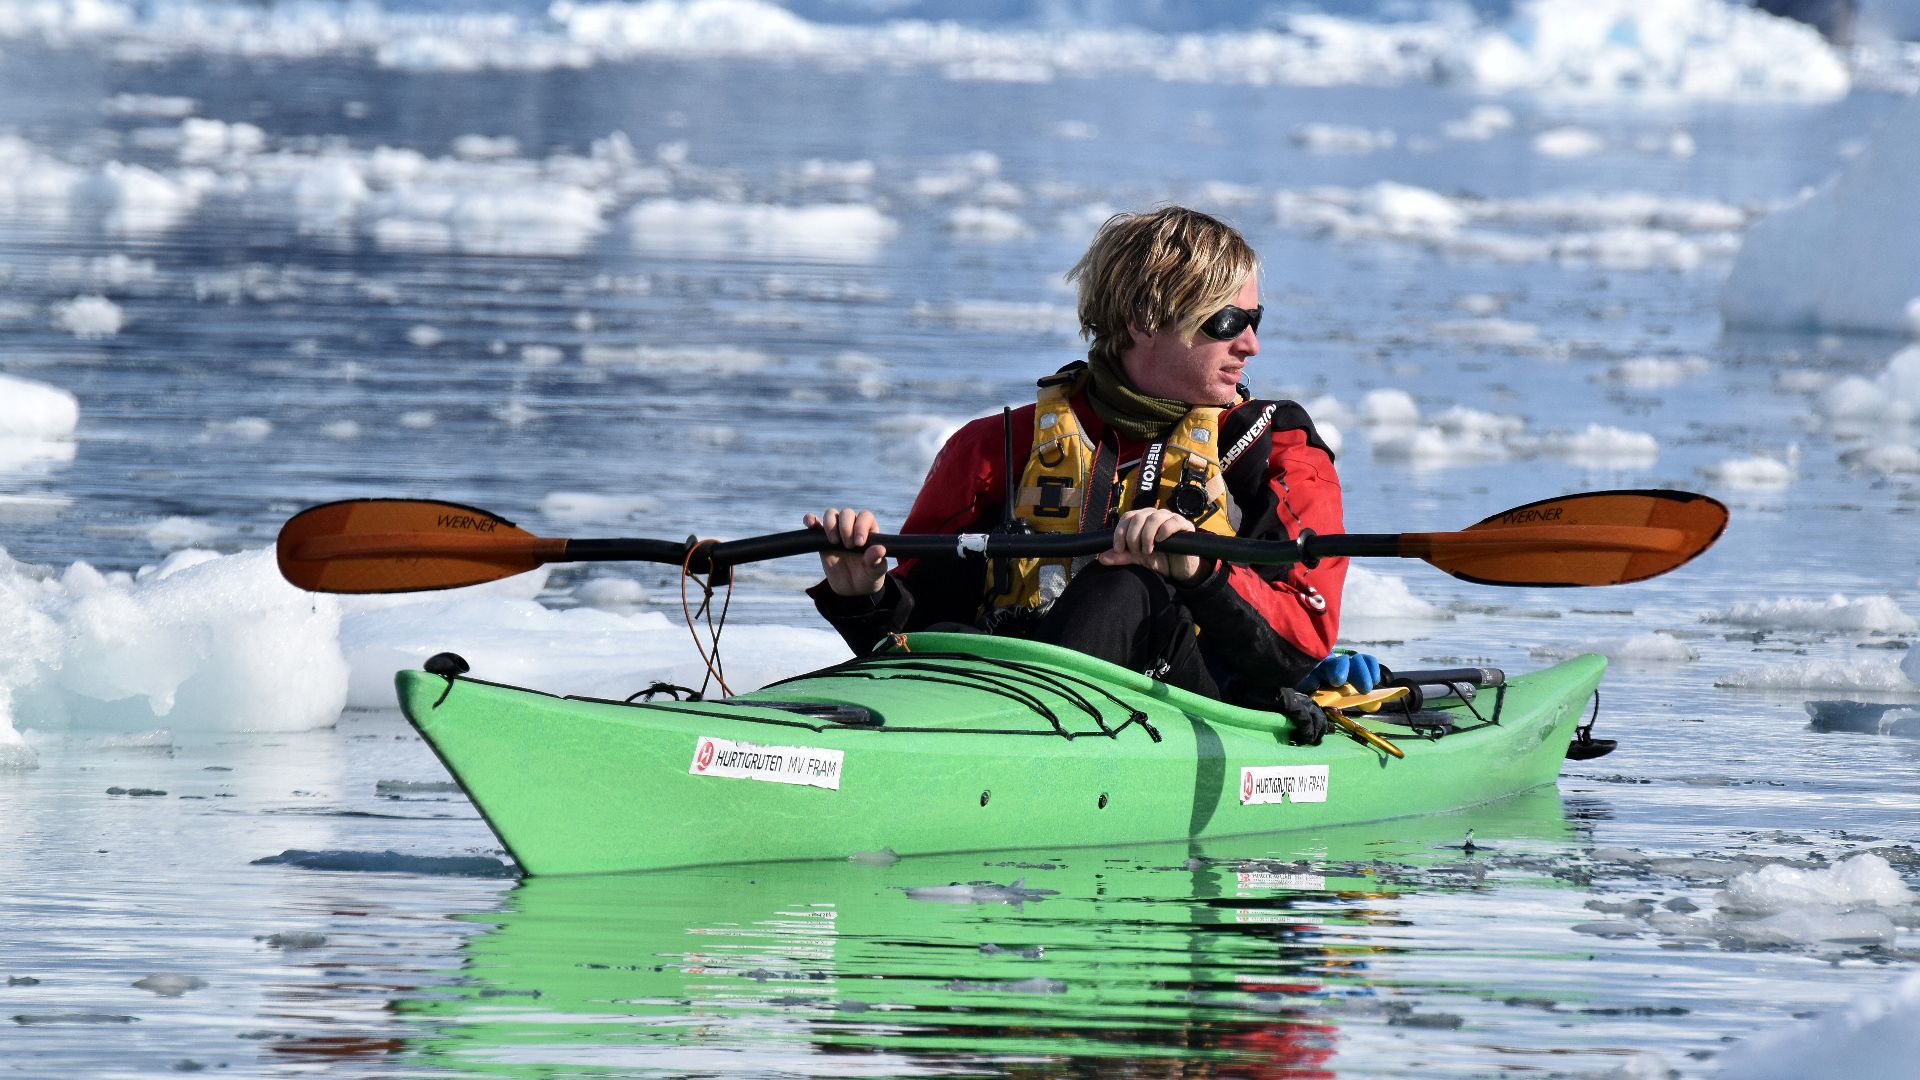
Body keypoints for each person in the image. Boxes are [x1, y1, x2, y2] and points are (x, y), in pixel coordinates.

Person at [805, 206, 1377, 720]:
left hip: (1196, 711)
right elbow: (909, 641)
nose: (1250, 345)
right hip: (1005, 705)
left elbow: (1300, 643)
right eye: (1226, 322)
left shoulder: (1276, 450)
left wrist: (1200, 571)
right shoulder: (991, 447)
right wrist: (864, 596)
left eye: (1257, 320)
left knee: (1129, 584)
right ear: (1143, 320)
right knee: (956, 637)